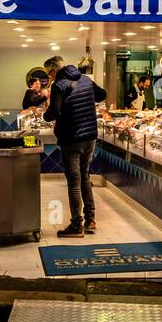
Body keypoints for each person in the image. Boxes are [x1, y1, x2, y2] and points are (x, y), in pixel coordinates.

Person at [43, 55, 106, 237]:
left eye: (49, 74)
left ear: (54, 71)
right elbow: (102, 95)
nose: (50, 77)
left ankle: (76, 225)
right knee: (85, 176)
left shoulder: (59, 85)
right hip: (90, 137)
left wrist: (46, 116)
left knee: (74, 182)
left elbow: (54, 112)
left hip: (71, 138)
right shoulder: (85, 79)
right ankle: (91, 219)